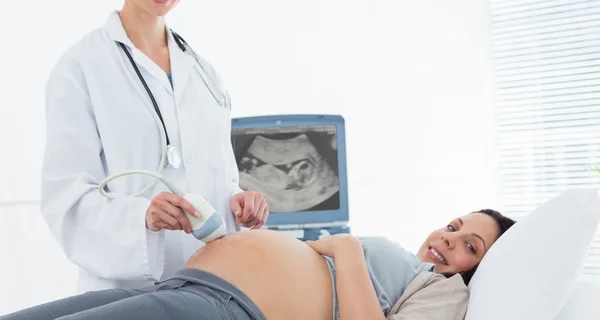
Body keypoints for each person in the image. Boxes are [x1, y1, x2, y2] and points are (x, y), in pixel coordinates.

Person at [40, 0, 269, 294]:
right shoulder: (81, 68)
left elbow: (219, 176)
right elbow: (66, 199)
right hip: (126, 292)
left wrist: (240, 202)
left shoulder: (204, 73)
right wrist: (141, 217)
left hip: (212, 286)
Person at [2, 209, 516, 319]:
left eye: (470, 247)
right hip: (187, 282)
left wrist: (347, 247)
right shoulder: (402, 259)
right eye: (453, 228)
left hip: (227, 309)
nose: (450, 242)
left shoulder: (445, 292)